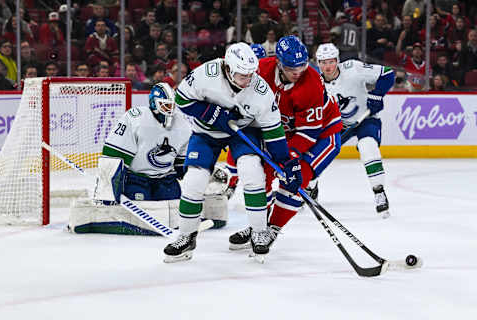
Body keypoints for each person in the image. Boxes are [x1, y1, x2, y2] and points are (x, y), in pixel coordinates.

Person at [163, 42, 302, 263]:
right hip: (206, 132)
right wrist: (211, 112)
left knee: (252, 172)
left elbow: (273, 130)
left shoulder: (260, 90)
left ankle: (258, 232)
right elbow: (181, 99)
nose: (248, 80)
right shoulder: (206, 74)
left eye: (251, 74)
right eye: (242, 75)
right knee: (193, 181)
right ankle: (186, 236)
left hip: (243, 132)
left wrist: (285, 162)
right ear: (228, 69)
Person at [227, 36, 342, 251]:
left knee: (297, 179)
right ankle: (258, 226)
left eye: (302, 66)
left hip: (322, 135)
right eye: (291, 68)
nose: (297, 72)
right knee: (263, 175)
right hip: (284, 133)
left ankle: (272, 229)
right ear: (279, 62)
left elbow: (309, 132)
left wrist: (292, 158)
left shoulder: (312, 83)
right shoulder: (262, 70)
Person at [70, 83, 193, 235]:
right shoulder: (136, 118)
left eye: (172, 106)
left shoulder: (183, 125)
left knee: (174, 208)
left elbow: (182, 163)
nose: (170, 111)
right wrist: (108, 191)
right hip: (137, 179)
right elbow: (114, 155)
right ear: (154, 103)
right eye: (166, 106)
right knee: (141, 208)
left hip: (165, 180)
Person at [316, 43, 395, 218]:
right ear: (318, 63)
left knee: (369, 148)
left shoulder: (353, 68)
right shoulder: (314, 81)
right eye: (323, 62)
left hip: (365, 119)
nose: (327, 66)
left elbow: (387, 73)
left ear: (337, 61)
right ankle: (311, 185)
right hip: (336, 125)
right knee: (315, 154)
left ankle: (379, 192)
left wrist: (377, 94)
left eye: (331, 61)